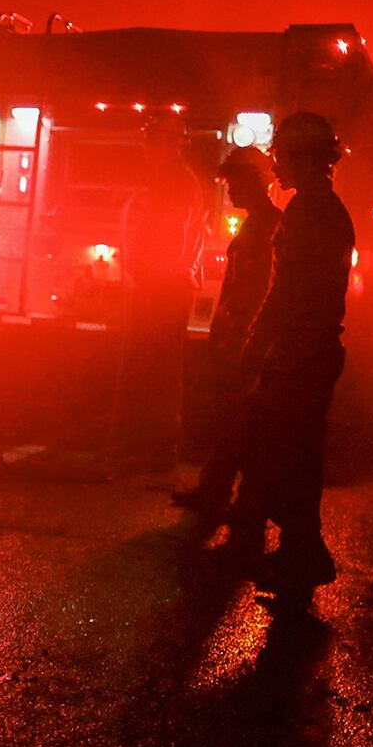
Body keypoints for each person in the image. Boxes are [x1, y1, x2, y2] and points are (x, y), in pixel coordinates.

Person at [236, 111, 355, 595]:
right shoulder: (325, 207)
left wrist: (255, 342)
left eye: (280, 154)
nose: (275, 163)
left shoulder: (309, 211)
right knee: (295, 452)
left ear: (301, 157)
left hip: (300, 350)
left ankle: (303, 553)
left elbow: (287, 289)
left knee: (287, 451)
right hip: (313, 346)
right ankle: (300, 551)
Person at [171, 145, 281, 519]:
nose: (229, 189)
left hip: (247, 340)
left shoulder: (269, 227)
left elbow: (262, 289)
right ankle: (216, 491)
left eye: (235, 181)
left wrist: (246, 339)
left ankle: (233, 500)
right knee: (231, 418)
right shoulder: (259, 223)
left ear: (256, 181)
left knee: (240, 419)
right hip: (239, 336)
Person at [104, 113, 205, 473]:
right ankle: (142, 450)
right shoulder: (168, 181)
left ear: (172, 145)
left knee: (154, 372)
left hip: (162, 290)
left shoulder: (177, 185)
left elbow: (167, 241)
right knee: (146, 370)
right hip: (157, 287)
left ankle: (150, 453)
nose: (148, 148)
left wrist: (140, 273)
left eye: (156, 141)